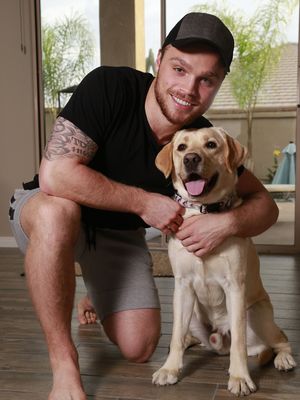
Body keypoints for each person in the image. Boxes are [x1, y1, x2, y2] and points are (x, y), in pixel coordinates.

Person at [9, 12, 278, 400]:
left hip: (116, 235)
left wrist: (225, 224)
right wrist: (143, 201)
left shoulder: (200, 143)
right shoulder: (109, 86)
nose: (189, 88)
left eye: (207, 79)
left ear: (218, 84)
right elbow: (55, 176)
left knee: (140, 347)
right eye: (179, 69)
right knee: (58, 213)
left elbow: (265, 205)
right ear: (158, 60)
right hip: (46, 210)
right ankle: (63, 363)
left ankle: (96, 289)